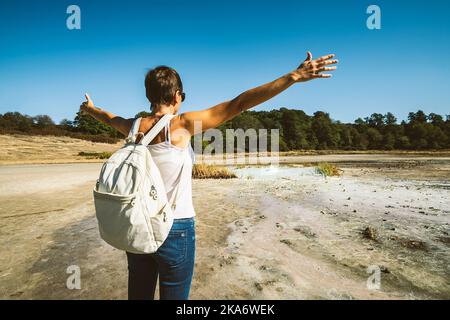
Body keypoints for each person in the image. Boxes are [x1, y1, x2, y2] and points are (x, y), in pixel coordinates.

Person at [79, 51, 338, 300]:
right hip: (175, 228)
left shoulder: (132, 126)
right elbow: (238, 103)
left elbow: (109, 117)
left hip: (136, 225)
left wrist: (90, 109)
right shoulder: (181, 124)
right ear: (178, 95)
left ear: (149, 95)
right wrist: (292, 77)